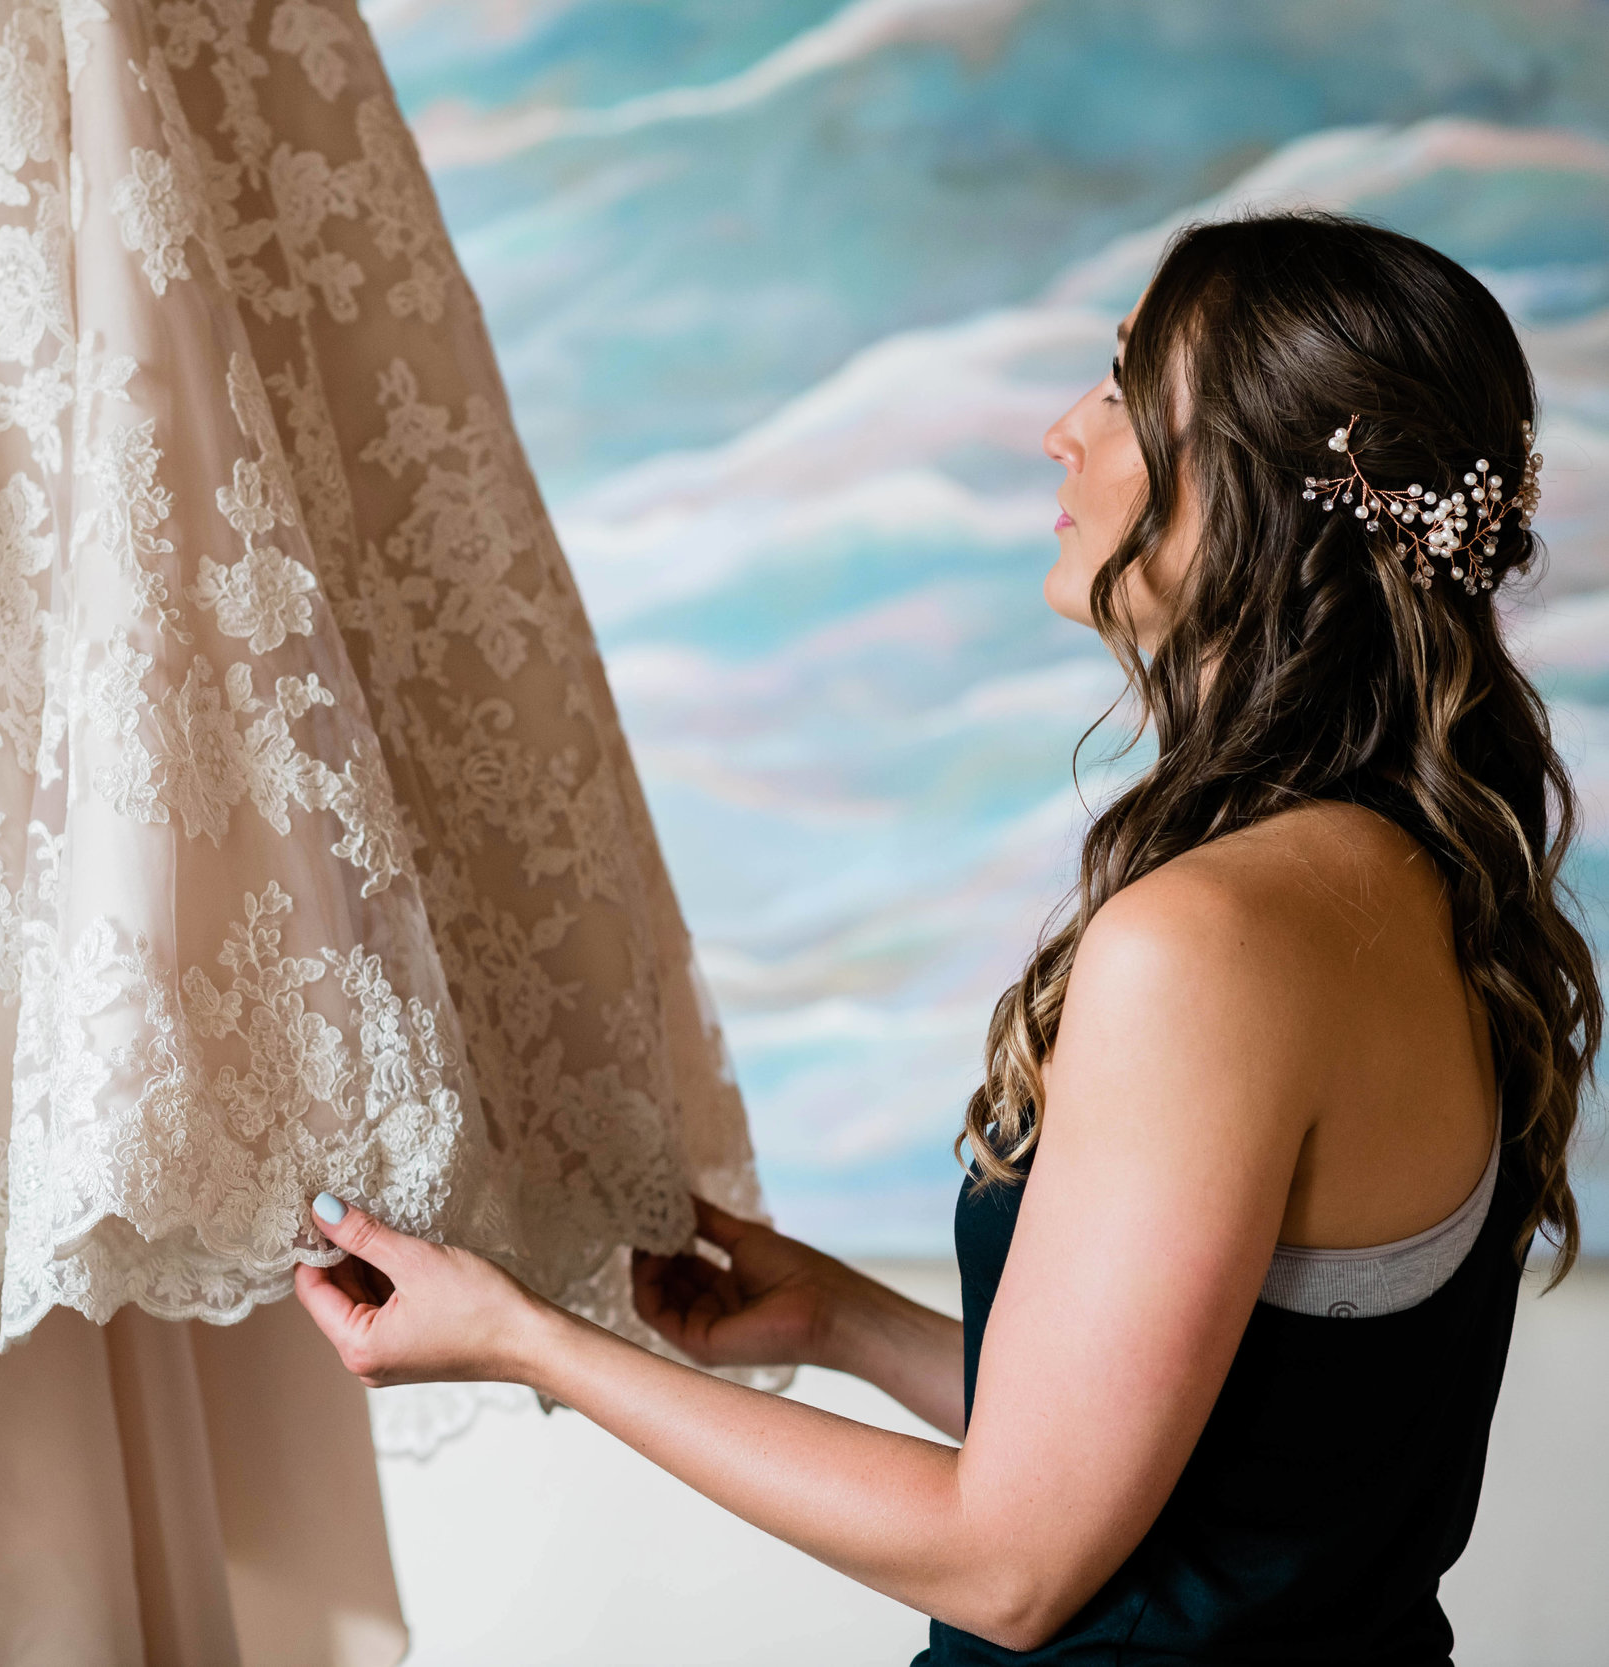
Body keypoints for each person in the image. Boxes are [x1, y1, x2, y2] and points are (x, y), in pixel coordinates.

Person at [293, 212, 1599, 1662]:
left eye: (1120, 385)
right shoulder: (1417, 886)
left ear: (1257, 491)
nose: (1062, 431)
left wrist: (528, 1338)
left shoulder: (1213, 936)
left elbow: (1010, 1564)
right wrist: (844, 1323)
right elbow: (1218, 1466)